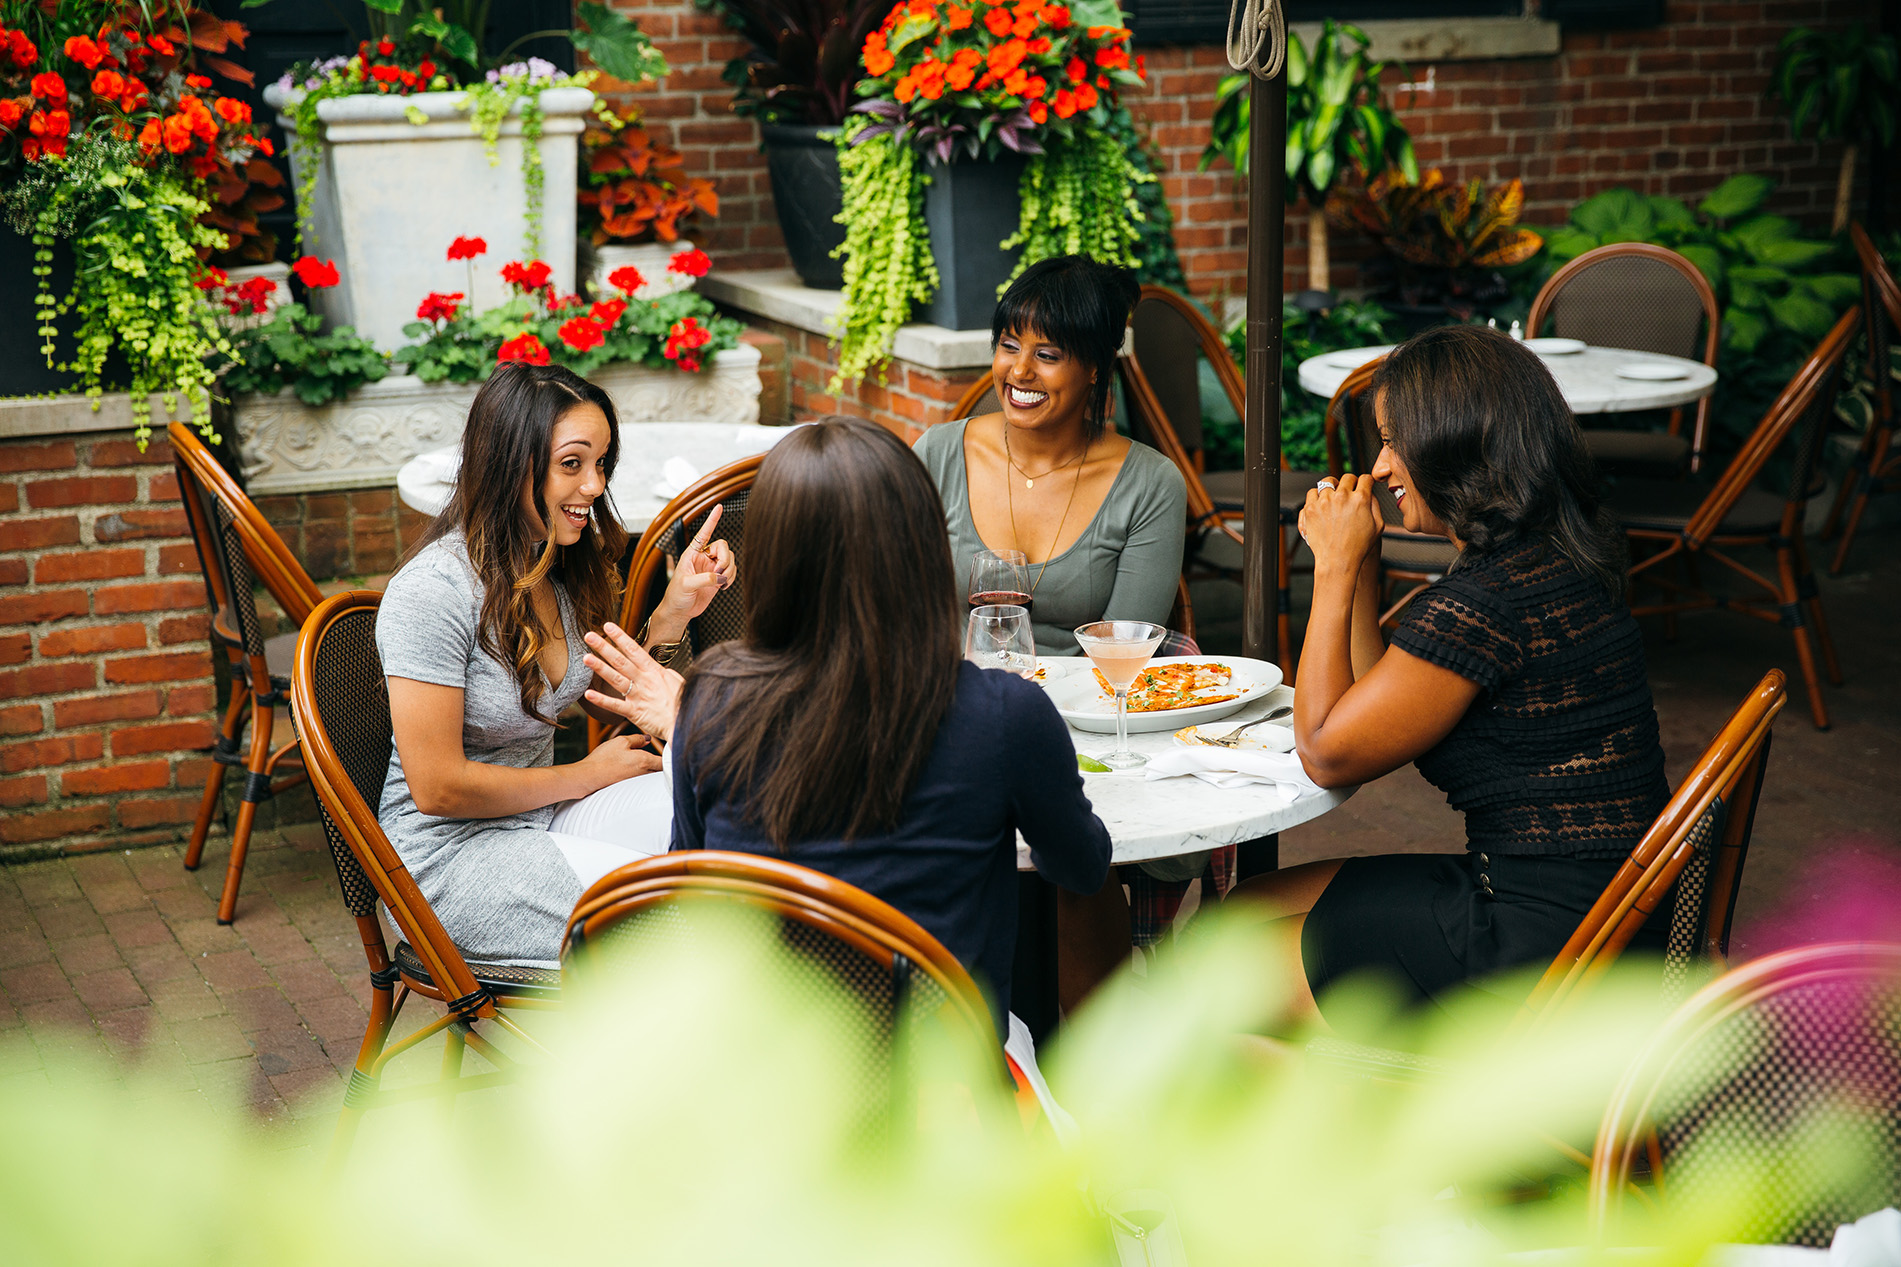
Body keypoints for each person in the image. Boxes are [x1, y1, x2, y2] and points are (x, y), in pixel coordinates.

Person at [579, 418, 1112, 1033]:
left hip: (772, 1087)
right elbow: (1081, 868)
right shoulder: (1003, 713)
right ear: (921, 547)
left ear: (772, 557)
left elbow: (698, 888)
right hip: (947, 1097)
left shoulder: (711, 699)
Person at [1239, 324, 1670, 1033]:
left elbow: (1325, 749)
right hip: (1598, 906)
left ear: (1450, 442)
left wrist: (1334, 569)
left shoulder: (1486, 604)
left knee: (1220, 979)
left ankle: (1369, 1121)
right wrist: (1367, 564)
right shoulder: (1548, 557)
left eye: (1390, 439)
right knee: (1243, 908)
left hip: (1539, 949)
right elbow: (1383, 706)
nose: (1378, 467)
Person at [376, 362, 734, 966]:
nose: (594, 486)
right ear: (510, 463)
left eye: (600, 464)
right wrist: (585, 776)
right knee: (681, 926)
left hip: (541, 817)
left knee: (724, 839)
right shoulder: (432, 591)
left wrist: (675, 612)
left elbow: (616, 701)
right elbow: (436, 788)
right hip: (447, 860)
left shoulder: (557, 566)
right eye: (573, 464)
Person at [914, 254, 1187, 658]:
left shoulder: (1150, 484)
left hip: (1085, 709)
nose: (1020, 371)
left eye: (1047, 355)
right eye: (1009, 346)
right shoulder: (938, 455)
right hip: (954, 696)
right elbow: (891, 606)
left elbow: (1122, 657)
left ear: (1095, 367)